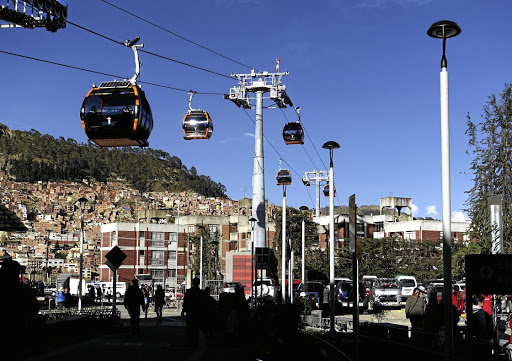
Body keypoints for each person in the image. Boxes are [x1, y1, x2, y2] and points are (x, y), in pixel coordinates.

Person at [181, 277, 207, 346]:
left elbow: (185, 302)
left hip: (191, 312)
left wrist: (183, 311)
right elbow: (203, 304)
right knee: (196, 327)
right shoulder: (201, 293)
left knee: (190, 327)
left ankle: (191, 339)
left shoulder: (189, 291)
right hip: (197, 312)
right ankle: (195, 340)